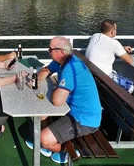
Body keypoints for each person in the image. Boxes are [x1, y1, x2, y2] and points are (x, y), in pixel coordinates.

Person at [31, 36, 102, 164]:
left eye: (50, 49)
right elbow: (46, 70)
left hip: (84, 119)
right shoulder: (62, 62)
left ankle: (68, 150)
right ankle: (54, 137)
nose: (48, 51)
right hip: (72, 110)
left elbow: (57, 101)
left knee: (44, 139)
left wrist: (56, 90)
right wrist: (36, 80)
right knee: (41, 115)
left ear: (61, 52)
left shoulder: (71, 67)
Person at [85, 19, 134, 94]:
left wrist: (122, 48)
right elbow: (129, 60)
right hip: (104, 77)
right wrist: (121, 50)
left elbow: (103, 46)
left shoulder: (95, 36)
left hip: (91, 73)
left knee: (119, 74)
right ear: (112, 32)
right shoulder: (114, 43)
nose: (116, 32)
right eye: (116, 30)